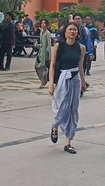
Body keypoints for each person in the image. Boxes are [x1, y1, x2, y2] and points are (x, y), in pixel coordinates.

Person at [48, 22, 87, 154]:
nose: (72, 32)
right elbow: (52, 64)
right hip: (62, 78)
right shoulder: (59, 46)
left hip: (75, 78)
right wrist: (51, 83)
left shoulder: (81, 48)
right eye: (70, 29)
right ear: (65, 32)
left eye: (74, 30)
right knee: (63, 106)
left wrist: (83, 81)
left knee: (73, 109)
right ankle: (55, 125)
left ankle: (68, 141)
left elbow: (81, 65)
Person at [35, 19, 52, 89]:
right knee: (36, 66)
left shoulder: (48, 33)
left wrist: (50, 55)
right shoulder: (41, 32)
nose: (43, 24)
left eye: (44, 23)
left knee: (43, 67)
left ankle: (43, 81)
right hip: (40, 52)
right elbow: (41, 43)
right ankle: (44, 79)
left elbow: (49, 45)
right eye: (42, 23)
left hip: (45, 53)